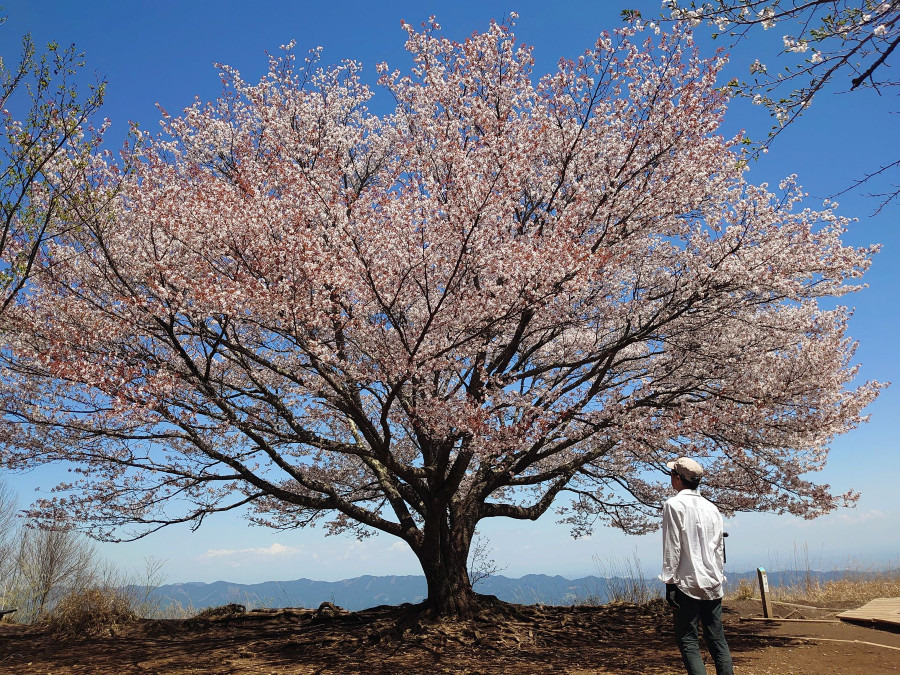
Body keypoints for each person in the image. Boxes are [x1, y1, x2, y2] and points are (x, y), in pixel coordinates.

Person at [660, 457, 734, 675]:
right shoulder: (712, 508)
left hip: (687, 582)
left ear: (678, 479)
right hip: (713, 581)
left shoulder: (673, 505)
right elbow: (719, 548)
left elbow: (672, 547)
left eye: (672, 474)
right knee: (717, 638)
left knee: (688, 640)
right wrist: (719, 575)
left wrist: (670, 582)